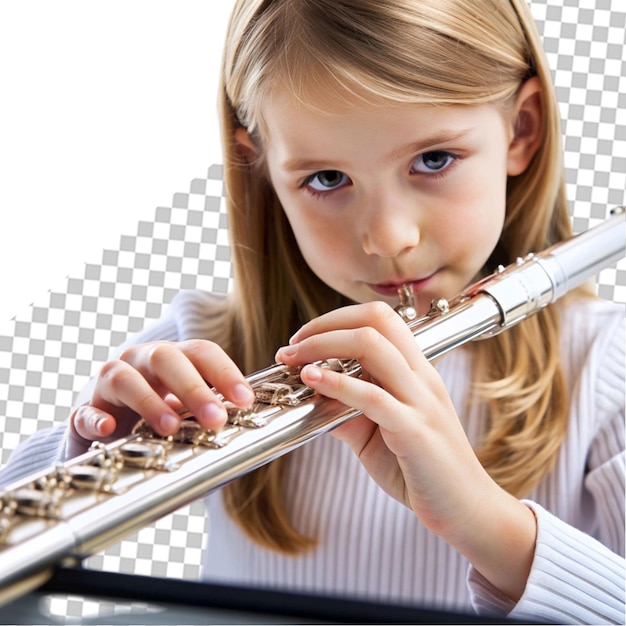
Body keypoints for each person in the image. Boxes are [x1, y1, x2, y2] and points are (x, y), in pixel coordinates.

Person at [1, 0, 624, 622]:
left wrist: (486, 522)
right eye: (327, 178)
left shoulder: (606, 370)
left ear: (522, 129)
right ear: (262, 168)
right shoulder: (214, 350)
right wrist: (87, 456)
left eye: (433, 160)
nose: (388, 237)